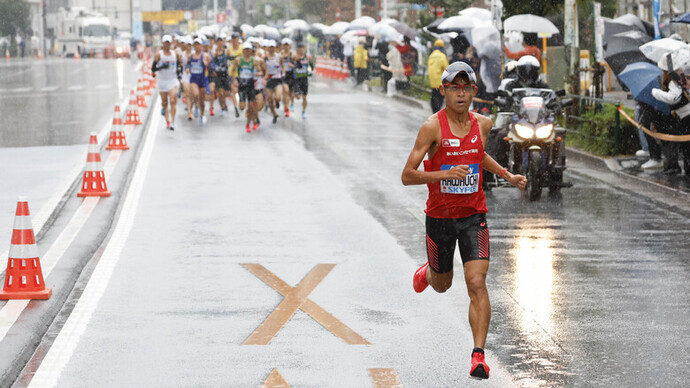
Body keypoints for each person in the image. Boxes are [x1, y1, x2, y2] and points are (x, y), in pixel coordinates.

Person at [400, 62, 527, 380]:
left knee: (476, 282)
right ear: (443, 91)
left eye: (466, 88)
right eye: (454, 88)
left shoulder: (482, 124)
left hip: (473, 216)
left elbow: (477, 154)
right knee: (443, 285)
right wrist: (444, 173)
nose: (460, 93)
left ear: (473, 92)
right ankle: (429, 272)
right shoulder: (432, 127)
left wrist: (506, 174)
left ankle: (479, 356)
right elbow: (407, 175)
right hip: (439, 218)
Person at [651, 67, 690, 175]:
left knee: (686, 146)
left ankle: (688, 171)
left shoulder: (675, 82)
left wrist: (656, 93)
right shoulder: (682, 79)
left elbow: (674, 98)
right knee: (686, 146)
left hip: (686, 116)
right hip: (685, 116)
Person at [152, 35, 182, 130]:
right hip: (162, 81)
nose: (167, 45)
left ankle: (172, 122)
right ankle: (167, 120)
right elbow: (153, 68)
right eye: (165, 43)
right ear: (163, 44)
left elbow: (179, 65)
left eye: (168, 43)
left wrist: (179, 74)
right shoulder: (159, 55)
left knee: (173, 100)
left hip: (172, 80)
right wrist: (162, 67)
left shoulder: (175, 54)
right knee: (165, 102)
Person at [186, 37, 211, 126]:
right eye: (195, 44)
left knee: (202, 101)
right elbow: (187, 65)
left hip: (202, 79)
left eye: (198, 44)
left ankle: (202, 115)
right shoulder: (190, 56)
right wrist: (188, 69)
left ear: (201, 46)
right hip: (194, 79)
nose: (197, 46)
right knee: (195, 94)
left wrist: (206, 63)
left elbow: (210, 65)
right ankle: (196, 107)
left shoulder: (205, 55)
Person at [211, 35, 232, 117]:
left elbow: (230, 60)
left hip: (225, 74)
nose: (220, 43)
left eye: (221, 41)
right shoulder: (214, 52)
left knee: (226, 93)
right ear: (216, 43)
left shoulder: (226, 51)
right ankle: (222, 108)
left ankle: (224, 103)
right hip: (217, 75)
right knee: (220, 93)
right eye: (218, 41)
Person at [264, 40, 284, 124]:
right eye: (270, 47)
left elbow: (283, 66)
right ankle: (274, 114)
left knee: (278, 97)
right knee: (269, 100)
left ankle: (277, 101)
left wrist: (283, 73)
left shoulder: (279, 57)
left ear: (275, 48)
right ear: (268, 48)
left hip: (277, 79)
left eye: (273, 47)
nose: (271, 49)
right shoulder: (264, 58)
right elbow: (262, 68)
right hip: (268, 80)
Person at [428, 39, 450, 113]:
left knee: (433, 95)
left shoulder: (431, 55)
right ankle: (436, 111)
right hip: (440, 80)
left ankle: (434, 110)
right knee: (440, 97)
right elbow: (447, 69)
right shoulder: (442, 56)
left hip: (432, 80)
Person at [292, 42, 312, 119]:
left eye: (302, 48)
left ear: (304, 48)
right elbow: (293, 57)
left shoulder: (307, 57)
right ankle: (294, 93)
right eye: (299, 48)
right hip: (297, 79)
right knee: (298, 97)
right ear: (297, 49)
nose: (301, 49)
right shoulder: (295, 56)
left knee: (304, 97)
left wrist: (310, 70)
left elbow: (311, 66)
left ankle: (303, 111)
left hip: (304, 79)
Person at [227, 33, 243, 118]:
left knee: (240, 90)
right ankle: (235, 108)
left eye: (235, 38)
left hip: (241, 72)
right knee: (234, 90)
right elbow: (227, 59)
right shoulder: (229, 50)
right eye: (232, 39)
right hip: (232, 72)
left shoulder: (242, 48)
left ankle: (241, 101)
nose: (234, 41)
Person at [280, 38, 294, 116]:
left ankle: (288, 104)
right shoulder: (280, 55)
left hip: (291, 75)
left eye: (287, 45)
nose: (286, 47)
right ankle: (287, 109)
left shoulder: (292, 54)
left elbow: (298, 65)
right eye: (284, 45)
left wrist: (292, 65)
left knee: (290, 92)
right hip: (283, 75)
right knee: (286, 90)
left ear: (290, 46)